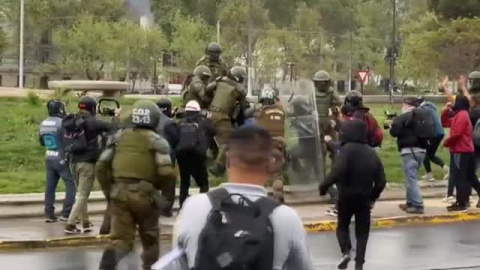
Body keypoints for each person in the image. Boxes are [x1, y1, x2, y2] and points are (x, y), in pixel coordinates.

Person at [174, 125, 314, 270]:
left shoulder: (194, 207)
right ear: (270, 165)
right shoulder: (286, 218)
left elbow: (176, 264)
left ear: (227, 162)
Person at [96, 100, 176, 270]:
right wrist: (166, 198)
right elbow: (166, 172)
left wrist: (109, 191)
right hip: (145, 196)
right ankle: (149, 267)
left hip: (119, 194)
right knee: (150, 240)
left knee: (120, 241)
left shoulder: (118, 137)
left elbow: (101, 165)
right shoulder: (157, 141)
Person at [320, 120, 386, 270]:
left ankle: (345, 251)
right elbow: (381, 181)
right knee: (362, 231)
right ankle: (359, 262)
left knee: (342, 226)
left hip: (346, 197)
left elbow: (337, 172)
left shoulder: (345, 150)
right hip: (364, 199)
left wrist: (323, 187)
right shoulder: (371, 152)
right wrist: (372, 197)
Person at [63, 96, 113, 234]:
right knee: (83, 195)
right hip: (87, 163)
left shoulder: (72, 120)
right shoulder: (93, 123)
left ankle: (85, 222)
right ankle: (71, 224)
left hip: (73, 161)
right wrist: (115, 115)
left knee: (81, 193)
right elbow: (113, 127)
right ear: (93, 108)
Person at [39, 100, 76, 223]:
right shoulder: (62, 123)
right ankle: (66, 213)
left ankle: (49, 214)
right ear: (61, 109)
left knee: (50, 187)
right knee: (71, 185)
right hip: (61, 158)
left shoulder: (43, 123)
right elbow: (68, 140)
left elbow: (42, 142)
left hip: (49, 157)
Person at [441, 95, 480, 212]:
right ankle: (462, 200)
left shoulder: (462, 115)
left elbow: (457, 133)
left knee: (460, 177)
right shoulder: (460, 114)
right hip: (466, 149)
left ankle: (462, 202)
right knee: (470, 176)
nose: (453, 103)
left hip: (461, 150)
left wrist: (446, 143)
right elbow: (446, 122)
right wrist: (446, 110)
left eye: (455, 101)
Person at [206, 66, 247, 176]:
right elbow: (243, 107)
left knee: (211, 139)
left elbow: (207, 89)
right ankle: (218, 167)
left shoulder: (220, 80)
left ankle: (210, 160)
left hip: (209, 114)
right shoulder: (240, 89)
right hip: (222, 116)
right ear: (239, 78)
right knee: (227, 142)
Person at [248, 87, 287, 203]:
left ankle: (258, 198)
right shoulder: (281, 110)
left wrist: (255, 107)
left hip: (264, 145)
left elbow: (247, 114)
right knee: (277, 174)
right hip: (279, 145)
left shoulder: (261, 112)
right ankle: (278, 196)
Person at [389, 97, 427, 214]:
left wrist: (391, 125)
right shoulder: (423, 116)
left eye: (403, 104)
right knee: (412, 177)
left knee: (411, 179)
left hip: (409, 150)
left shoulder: (403, 117)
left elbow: (394, 132)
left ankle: (417, 204)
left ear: (407, 105)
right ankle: (410, 202)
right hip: (422, 150)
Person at [176, 100, 215, 208]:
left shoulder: (180, 122)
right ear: (198, 110)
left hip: (182, 155)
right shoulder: (204, 122)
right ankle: (203, 206)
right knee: (203, 183)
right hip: (198, 155)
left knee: (184, 183)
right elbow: (213, 132)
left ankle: (182, 207)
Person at [411, 97, 448, 182]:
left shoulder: (424, 109)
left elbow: (425, 122)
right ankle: (445, 169)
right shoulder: (431, 107)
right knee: (430, 154)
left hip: (433, 133)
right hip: (440, 132)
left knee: (425, 153)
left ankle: (429, 174)